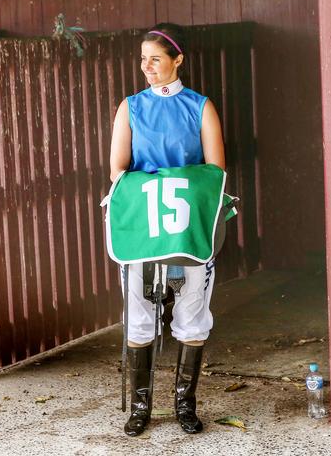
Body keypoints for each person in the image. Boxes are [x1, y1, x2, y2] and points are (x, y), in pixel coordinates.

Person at [109, 22, 226, 437]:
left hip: (187, 226)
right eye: (143, 60)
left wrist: (172, 179)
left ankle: (184, 404)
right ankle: (141, 405)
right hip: (144, 224)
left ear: (177, 60)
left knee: (193, 313)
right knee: (139, 316)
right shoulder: (131, 107)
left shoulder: (199, 106)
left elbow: (215, 172)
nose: (147, 67)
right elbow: (118, 170)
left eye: (155, 59)